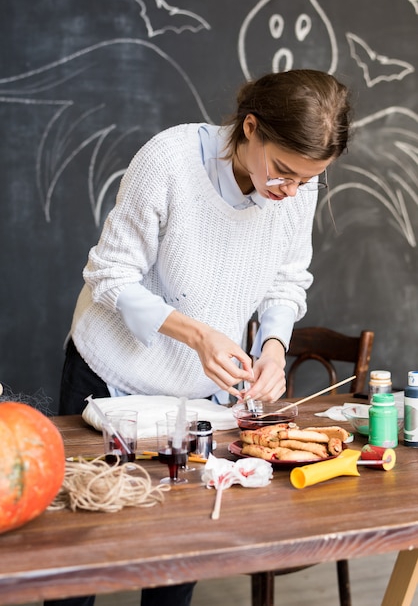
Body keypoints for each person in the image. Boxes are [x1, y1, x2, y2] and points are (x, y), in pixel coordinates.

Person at [50, 69, 352, 606]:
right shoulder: (168, 160)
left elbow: (286, 281)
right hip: (110, 374)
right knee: (82, 552)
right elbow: (108, 276)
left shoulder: (295, 190)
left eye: (308, 181)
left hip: (193, 398)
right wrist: (198, 336)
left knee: (179, 552)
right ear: (251, 127)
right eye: (283, 172)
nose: (291, 191)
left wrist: (275, 350)